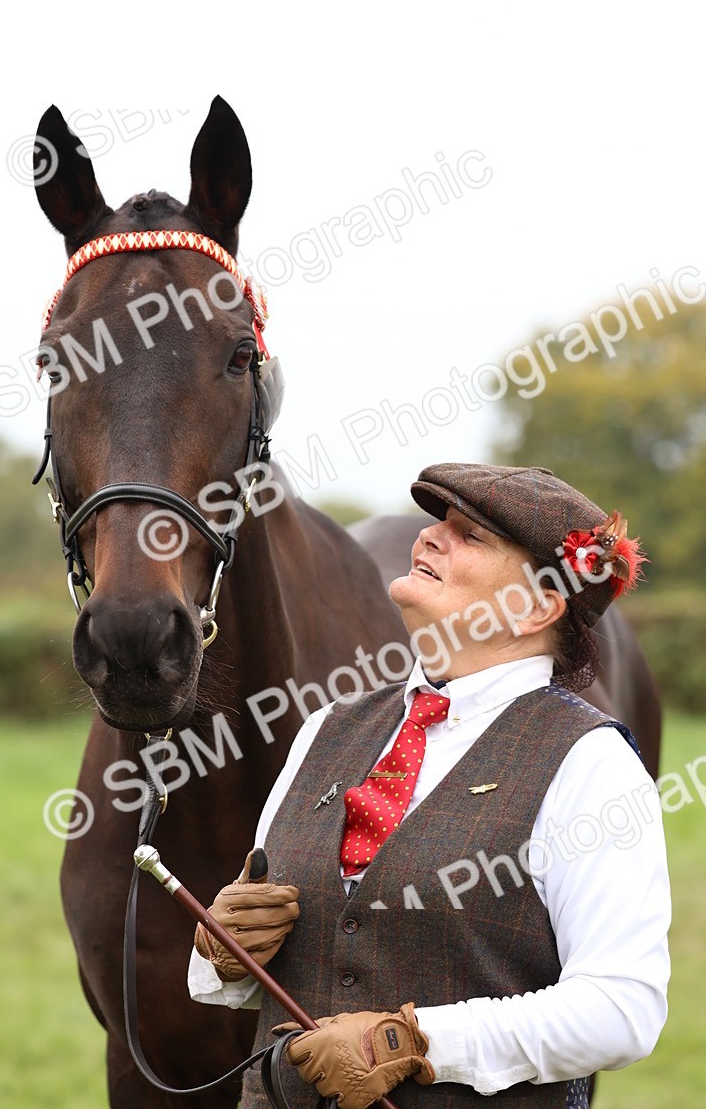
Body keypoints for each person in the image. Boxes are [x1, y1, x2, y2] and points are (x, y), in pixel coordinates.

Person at [188, 463, 671, 1109]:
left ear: (536, 606)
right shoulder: (325, 728)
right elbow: (299, 955)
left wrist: (411, 1041)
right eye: (436, 523)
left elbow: (623, 1008)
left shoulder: (592, 764)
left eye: (469, 535)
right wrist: (220, 956)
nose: (428, 539)